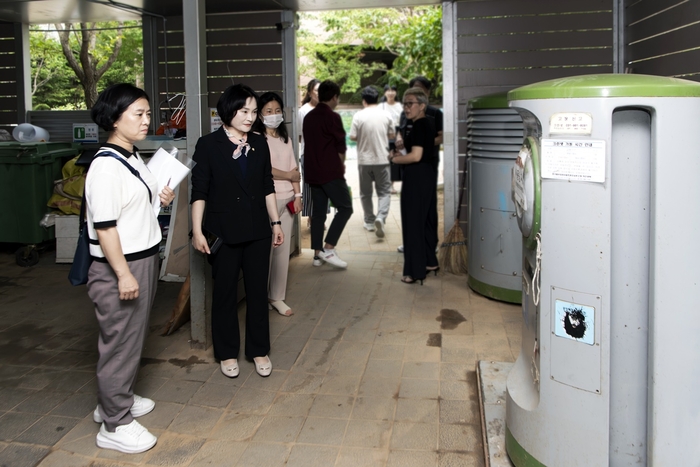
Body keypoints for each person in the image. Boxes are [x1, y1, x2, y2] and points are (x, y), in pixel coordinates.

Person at [86, 83, 175, 454]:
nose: (146, 120)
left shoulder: (131, 156)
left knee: (129, 338)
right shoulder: (105, 167)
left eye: (148, 113)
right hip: (121, 266)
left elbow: (133, 210)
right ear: (113, 118)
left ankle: (115, 399)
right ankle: (115, 423)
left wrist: (159, 198)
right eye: (138, 114)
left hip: (141, 257)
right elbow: (105, 227)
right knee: (119, 343)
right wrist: (123, 274)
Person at [190, 84, 284, 380]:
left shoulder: (259, 143)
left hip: (258, 229)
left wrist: (276, 222)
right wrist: (197, 230)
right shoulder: (208, 144)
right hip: (223, 230)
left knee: (258, 291)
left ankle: (259, 349)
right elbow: (199, 192)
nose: (250, 117)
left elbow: (267, 185)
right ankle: (227, 352)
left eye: (254, 112)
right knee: (226, 293)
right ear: (228, 110)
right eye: (244, 111)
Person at [253, 91, 300, 317]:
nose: (274, 115)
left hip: (289, 199)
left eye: (277, 110)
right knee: (266, 252)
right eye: (268, 111)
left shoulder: (286, 139)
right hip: (268, 202)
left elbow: (295, 171)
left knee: (282, 254)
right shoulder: (256, 138)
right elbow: (265, 170)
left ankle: (276, 297)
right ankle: (260, 297)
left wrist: (298, 195)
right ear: (260, 115)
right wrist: (288, 177)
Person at [390, 87, 438, 284]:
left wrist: (396, 160)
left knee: (413, 223)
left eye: (411, 103)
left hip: (417, 177)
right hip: (426, 176)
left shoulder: (419, 125)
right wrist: (402, 148)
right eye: (405, 104)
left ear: (422, 106)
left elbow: (416, 156)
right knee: (425, 220)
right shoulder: (426, 123)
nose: (406, 107)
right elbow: (419, 150)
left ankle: (414, 271)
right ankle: (429, 262)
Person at [302, 80, 353, 268]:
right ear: (334, 97)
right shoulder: (332, 117)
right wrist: (341, 165)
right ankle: (328, 248)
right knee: (346, 207)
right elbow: (340, 146)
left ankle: (317, 255)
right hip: (330, 172)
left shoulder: (308, 117)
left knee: (318, 213)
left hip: (312, 172)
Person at [396, 76, 443, 254]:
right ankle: (411, 243)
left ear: (427, 93)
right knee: (411, 210)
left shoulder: (434, 113)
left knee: (427, 208)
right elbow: (402, 132)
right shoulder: (406, 112)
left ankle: (430, 245)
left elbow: (441, 136)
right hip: (409, 164)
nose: (408, 106)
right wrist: (402, 142)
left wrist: (423, 143)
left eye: (421, 90)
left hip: (426, 164)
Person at [349, 86, 395, 238]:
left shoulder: (358, 116)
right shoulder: (386, 115)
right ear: (377, 99)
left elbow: (353, 137)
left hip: (364, 161)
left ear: (364, 101)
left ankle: (369, 221)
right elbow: (392, 134)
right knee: (384, 192)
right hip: (382, 159)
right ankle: (381, 217)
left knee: (365, 193)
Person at [298, 79, 320, 221]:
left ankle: (320, 216)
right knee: (310, 187)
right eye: (317, 90)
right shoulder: (303, 111)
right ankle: (312, 217)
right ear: (310, 91)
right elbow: (300, 135)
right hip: (308, 155)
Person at [379, 84, 403, 195]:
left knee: (394, 161)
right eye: (388, 90)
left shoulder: (400, 106)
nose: (390, 92)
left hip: (397, 136)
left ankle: (391, 186)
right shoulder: (381, 106)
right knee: (384, 161)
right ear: (384, 93)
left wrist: (399, 135)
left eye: (393, 90)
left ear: (396, 92)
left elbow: (403, 122)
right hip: (384, 135)